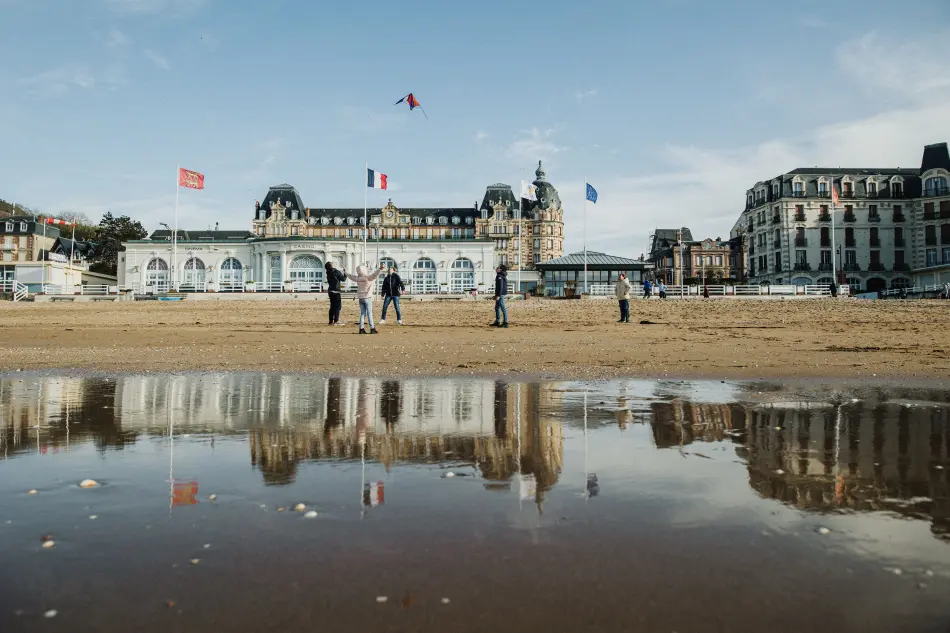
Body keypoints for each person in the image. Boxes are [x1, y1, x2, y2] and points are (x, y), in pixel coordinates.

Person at [345, 263, 385, 334]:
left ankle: (361, 329)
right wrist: (380, 269)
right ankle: (372, 328)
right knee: (369, 313)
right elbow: (375, 274)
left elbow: (350, 276)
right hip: (367, 297)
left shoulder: (357, 278)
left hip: (361, 298)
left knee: (362, 314)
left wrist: (345, 271)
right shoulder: (368, 278)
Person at [325, 261, 346, 326]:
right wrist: (345, 272)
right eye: (332, 263)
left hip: (330, 291)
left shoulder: (328, 272)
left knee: (332, 306)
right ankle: (336, 321)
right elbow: (343, 279)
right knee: (338, 306)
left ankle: (331, 321)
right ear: (331, 266)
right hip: (336, 291)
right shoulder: (336, 271)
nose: (334, 263)